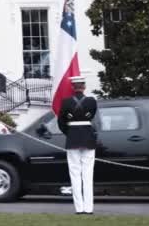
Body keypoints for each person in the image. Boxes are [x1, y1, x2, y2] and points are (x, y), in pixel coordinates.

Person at [57, 76, 98, 215]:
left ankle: (79, 208)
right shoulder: (92, 101)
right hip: (88, 138)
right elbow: (92, 117)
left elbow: (61, 122)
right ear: (84, 87)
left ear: (73, 87)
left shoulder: (66, 102)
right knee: (88, 174)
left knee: (75, 174)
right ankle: (89, 208)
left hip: (73, 139)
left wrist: (70, 133)